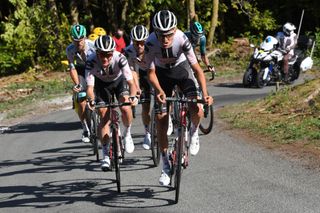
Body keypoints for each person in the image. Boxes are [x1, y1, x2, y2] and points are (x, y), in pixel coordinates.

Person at [144, 10, 213, 186]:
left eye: (169, 34)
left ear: (174, 30)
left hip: (182, 71)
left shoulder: (182, 39)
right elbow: (150, 73)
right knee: (160, 118)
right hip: (161, 76)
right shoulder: (150, 43)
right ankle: (166, 165)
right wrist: (158, 90)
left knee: (196, 107)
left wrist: (204, 94)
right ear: (155, 32)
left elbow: (197, 70)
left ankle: (194, 131)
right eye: (161, 34)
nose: (165, 39)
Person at [85, 35, 138, 171]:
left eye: (108, 54)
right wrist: (90, 100)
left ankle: (127, 133)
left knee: (125, 107)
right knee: (103, 116)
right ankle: (106, 155)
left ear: (112, 53)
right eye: (102, 54)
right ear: (97, 53)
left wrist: (132, 97)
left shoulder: (120, 58)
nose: (105, 58)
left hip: (119, 82)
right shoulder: (91, 61)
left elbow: (131, 83)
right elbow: (90, 88)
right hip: (102, 85)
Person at [66, 24, 95, 143]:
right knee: (81, 99)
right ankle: (85, 128)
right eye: (75, 40)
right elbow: (72, 68)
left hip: (94, 70)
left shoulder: (93, 46)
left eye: (81, 39)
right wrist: (77, 84)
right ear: (72, 39)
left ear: (85, 37)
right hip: (81, 71)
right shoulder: (70, 49)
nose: (79, 43)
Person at [124, 25, 152, 150]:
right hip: (141, 74)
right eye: (137, 43)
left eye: (142, 43)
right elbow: (131, 72)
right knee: (145, 106)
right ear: (132, 42)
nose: (140, 46)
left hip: (156, 71)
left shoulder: (153, 47)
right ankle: (148, 133)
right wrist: (137, 87)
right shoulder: (128, 51)